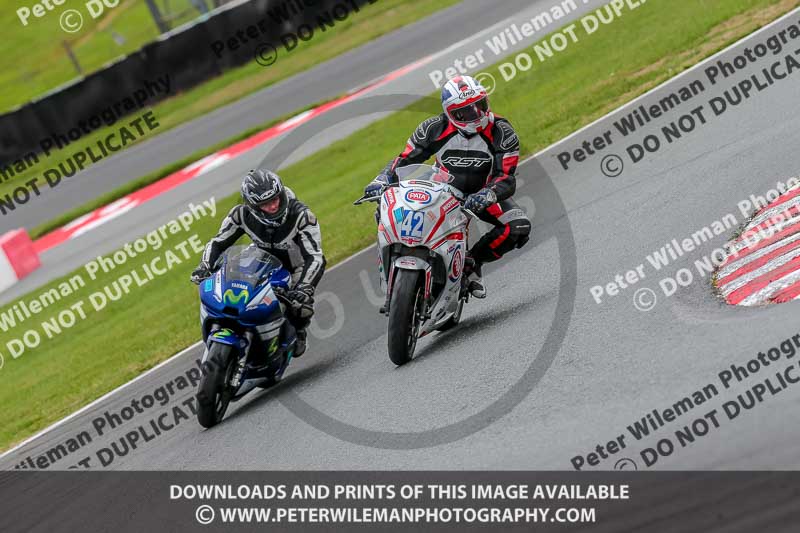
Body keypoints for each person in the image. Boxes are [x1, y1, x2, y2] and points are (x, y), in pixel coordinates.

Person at [363, 75, 531, 297]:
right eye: (467, 111)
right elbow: (404, 160)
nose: (477, 114)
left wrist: (488, 194)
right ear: (451, 113)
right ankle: (391, 264)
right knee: (385, 207)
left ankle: (471, 264)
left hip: (480, 193)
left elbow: (506, 177)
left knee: (517, 226)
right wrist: (382, 178)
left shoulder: (502, 131)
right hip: (439, 189)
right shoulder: (433, 128)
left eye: (479, 105)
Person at [191, 169, 325, 356]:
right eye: (265, 204)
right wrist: (204, 265)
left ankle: (298, 332)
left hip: (296, 268)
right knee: (232, 291)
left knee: (300, 308)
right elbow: (218, 242)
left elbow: (315, 256)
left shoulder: (302, 217)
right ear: (253, 205)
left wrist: (304, 287)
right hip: (260, 262)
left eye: (275, 200)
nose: (272, 207)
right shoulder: (240, 215)